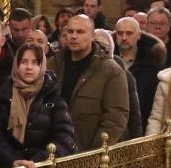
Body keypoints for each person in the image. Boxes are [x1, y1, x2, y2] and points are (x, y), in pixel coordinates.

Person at [0, 42, 78, 168]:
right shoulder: (3, 94)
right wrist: (13, 159)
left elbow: (64, 138)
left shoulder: (53, 97)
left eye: (35, 63)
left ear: (42, 66)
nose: (29, 67)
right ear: (17, 64)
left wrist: (37, 161)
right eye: (24, 62)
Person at [53, 13, 130, 148]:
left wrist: (93, 154)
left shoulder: (110, 71)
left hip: (87, 151)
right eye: (70, 31)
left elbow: (115, 118)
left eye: (80, 32)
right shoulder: (53, 64)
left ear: (93, 36)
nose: (74, 36)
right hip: (52, 150)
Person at [113, 16, 164, 136]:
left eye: (129, 33)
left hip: (141, 128)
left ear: (139, 35)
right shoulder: (106, 63)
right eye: (120, 33)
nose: (124, 38)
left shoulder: (152, 67)